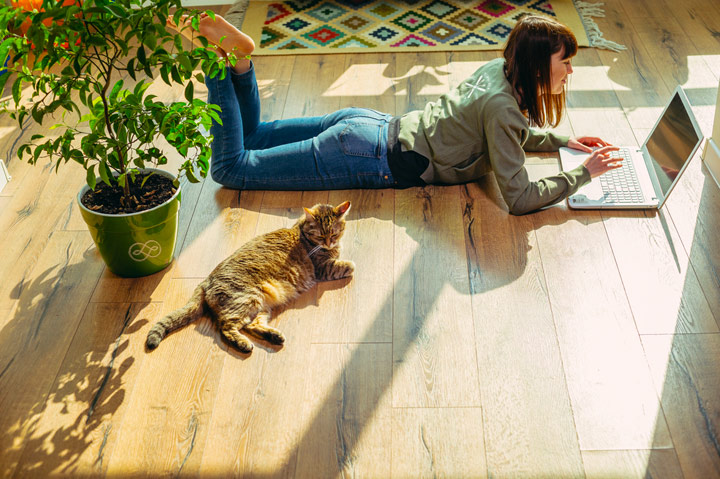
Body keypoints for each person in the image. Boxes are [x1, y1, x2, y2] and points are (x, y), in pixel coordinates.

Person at [169, 13, 621, 215]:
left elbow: (501, 132)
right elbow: (519, 199)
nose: (570, 70)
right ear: (540, 66)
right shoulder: (504, 109)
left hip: (368, 126)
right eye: (565, 61)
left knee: (259, 135)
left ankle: (242, 64)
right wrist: (583, 174)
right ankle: (220, 66)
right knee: (232, 167)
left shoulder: (499, 73)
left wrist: (562, 142)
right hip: (370, 157)